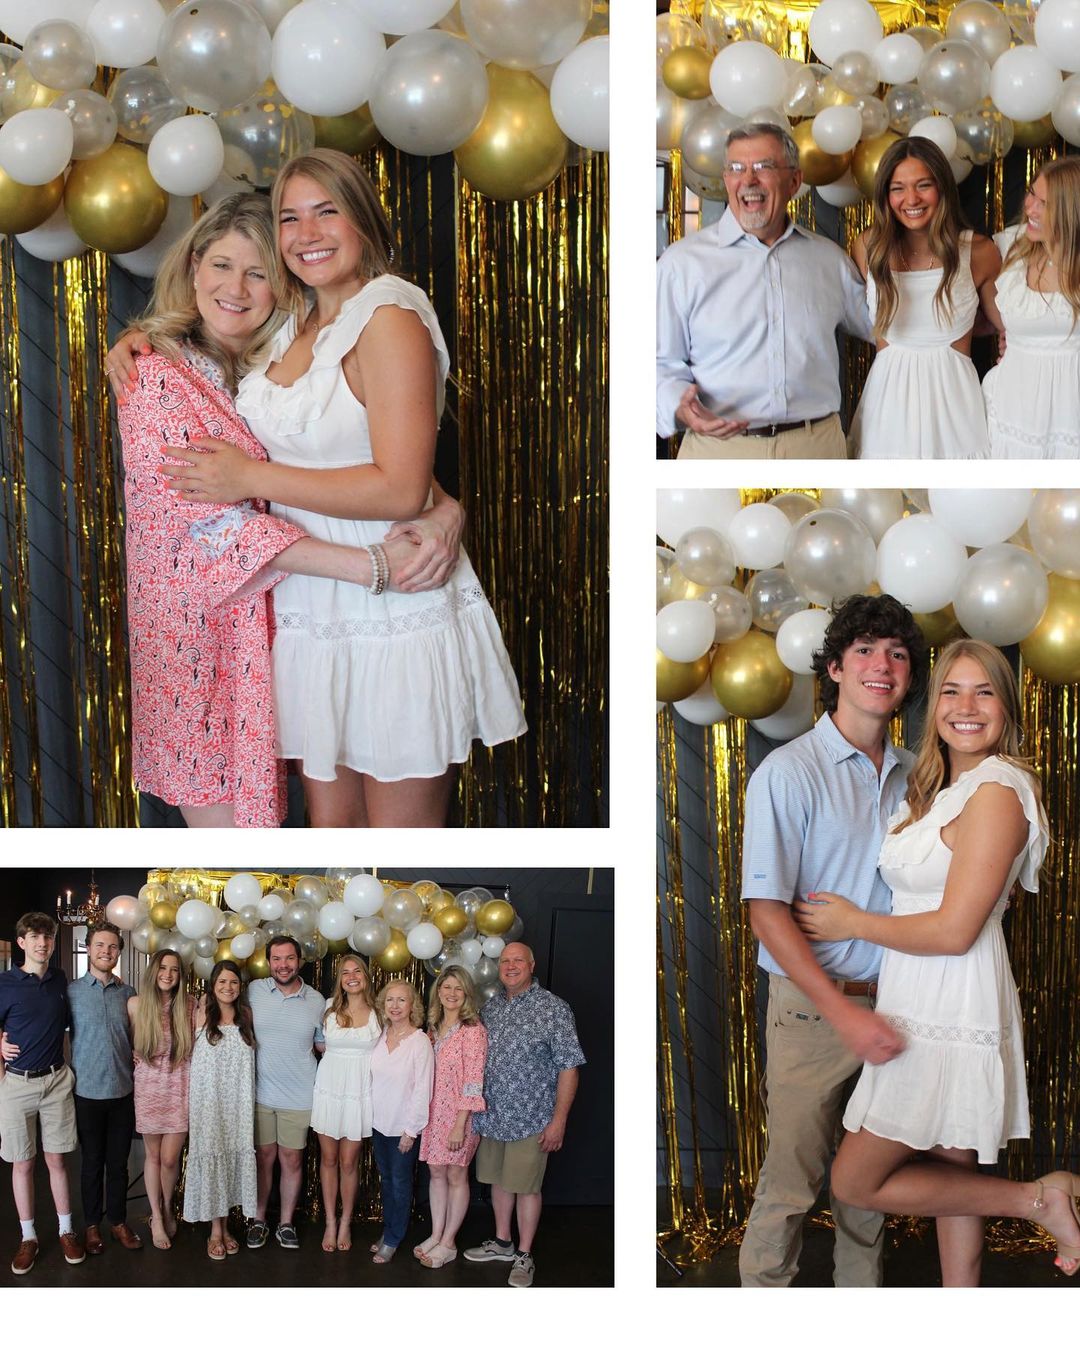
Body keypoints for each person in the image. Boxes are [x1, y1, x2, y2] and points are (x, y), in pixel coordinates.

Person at [145, 148, 527, 826]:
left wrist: (251, 478)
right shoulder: (290, 322)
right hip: (306, 605)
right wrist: (136, 341)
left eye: (327, 212)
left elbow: (399, 486)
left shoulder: (389, 316)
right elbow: (352, 441)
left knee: (397, 848)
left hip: (392, 601)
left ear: (364, 220)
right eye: (290, 217)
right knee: (333, 839)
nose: (307, 233)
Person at [792, 640, 1080, 1283]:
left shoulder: (998, 790)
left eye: (985, 692)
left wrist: (853, 923)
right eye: (952, 691)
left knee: (856, 1179)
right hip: (914, 994)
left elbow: (954, 931)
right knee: (954, 1174)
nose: (966, 706)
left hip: (952, 999)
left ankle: (1038, 1201)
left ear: (1007, 707)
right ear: (934, 706)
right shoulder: (936, 790)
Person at [738, 593, 929, 1288]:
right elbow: (766, 912)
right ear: (836, 669)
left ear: (909, 676)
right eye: (865, 650)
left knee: (866, 1191)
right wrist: (844, 1013)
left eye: (898, 654)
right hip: (814, 1011)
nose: (883, 665)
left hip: (901, 1003)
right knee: (790, 1186)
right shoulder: (789, 772)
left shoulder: (919, 776)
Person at [656, 122, 873, 459]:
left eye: (763, 166)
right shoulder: (681, 264)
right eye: (736, 168)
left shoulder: (830, 261)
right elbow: (659, 361)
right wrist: (679, 407)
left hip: (816, 448)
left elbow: (885, 330)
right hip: (717, 452)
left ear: (794, 182)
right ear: (726, 179)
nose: (748, 179)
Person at [848, 136, 1001, 459]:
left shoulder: (979, 252)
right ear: (885, 194)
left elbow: (1011, 327)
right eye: (898, 188)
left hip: (955, 417)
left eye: (923, 185)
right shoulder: (868, 248)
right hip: (886, 415)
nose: (911, 199)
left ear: (942, 187)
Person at [465, 941, 585, 1289]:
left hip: (532, 1118)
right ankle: (503, 1243)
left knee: (527, 1188)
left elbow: (569, 1067)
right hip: (493, 1116)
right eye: (505, 961)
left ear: (532, 965)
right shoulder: (491, 1007)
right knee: (499, 1182)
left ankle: (524, 1254)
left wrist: (559, 1121)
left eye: (518, 960)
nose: (510, 966)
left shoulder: (553, 1009)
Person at [0, 913, 84, 1275]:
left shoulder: (59, 979)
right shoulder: (4, 983)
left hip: (56, 1082)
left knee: (57, 1161)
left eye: (47, 937)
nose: (42, 943)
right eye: (34, 937)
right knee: (23, 1163)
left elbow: (64, 1026)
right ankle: (29, 1237)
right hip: (17, 1085)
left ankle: (66, 1230)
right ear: (21, 942)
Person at [983, 156, 1080, 458]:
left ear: (1072, 211)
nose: (1030, 208)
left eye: (1044, 204)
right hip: (1013, 411)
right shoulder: (1012, 248)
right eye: (1031, 194)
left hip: (1069, 418)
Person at [245, 933, 325, 1250]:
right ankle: (259, 1220)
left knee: (291, 1160)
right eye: (276, 959)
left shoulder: (316, 1001)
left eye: (289, 958)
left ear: (300, 961)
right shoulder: (253, 991)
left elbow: (324, 1045)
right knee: (263, 1159)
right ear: (268, 962)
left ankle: (286, 1223)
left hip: (299, 1095)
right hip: (260, 1094)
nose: (283, 965)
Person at [66, 922, 141, 1257]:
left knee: (119, 1164)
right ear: (88, 948)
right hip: (87, 1093)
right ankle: (92, 1225)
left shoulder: (128, 993)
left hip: (123, 1092)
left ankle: (118, 1221)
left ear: (119, 952)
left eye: (112, 947)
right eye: (100, 945)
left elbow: (137, 1037)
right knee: (92, 1163)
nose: (106, 952)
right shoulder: (71, 993)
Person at [183, 960, 257, 1259]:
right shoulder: (199, 1012)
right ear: (212, 985)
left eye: (234, 982)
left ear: (240, 987)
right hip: (209, 1102)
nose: (228, 987)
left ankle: (227, 1228)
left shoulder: (246, 1015)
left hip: (239, 1102)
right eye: (222, 982)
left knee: (231, 1157)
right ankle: (216, 1231)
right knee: (213, 1155)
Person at [416, 965, 488, 1269]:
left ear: (467, 994)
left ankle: (449, 1243)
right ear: (438, 992)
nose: (452, 993)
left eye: (459, 988)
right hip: (434, 1113)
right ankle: (436, 1234)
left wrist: (460, 1124)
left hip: (460, 1115)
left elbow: (473, 1081)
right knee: (436, 1173)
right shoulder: (433, 1029)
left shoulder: (473, 1031)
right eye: (447, 987)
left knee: (456, 1174)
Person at [310, 954, 380, 1254]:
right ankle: (330, 1221)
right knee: (328, 1159)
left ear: (365, 976)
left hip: (359, 1092)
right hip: (329, 1089)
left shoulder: (379, 1012)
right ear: (339, 979)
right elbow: (317, 1043)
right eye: (345, 972)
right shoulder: (328, 1008)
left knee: (349, 1162)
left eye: (357, 971)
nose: (351, 977)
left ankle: (346, 1222)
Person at [127, 948, 196, 1250]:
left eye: (174, 970)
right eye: (163, 968)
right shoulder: (136, 1004)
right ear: (153, 970)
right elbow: (123, 1041)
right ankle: (156, 1216)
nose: (168, 974)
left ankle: (168, 1206)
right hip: (148, 1088)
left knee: (170, 1159)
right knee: (153, 1157)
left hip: (180, 1087)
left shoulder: (190, 1005)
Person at [369, 979, 434, 1264]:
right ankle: (388, 1230)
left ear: (412, 1005)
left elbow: (423, 1088)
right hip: (378, 1124)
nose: (395, 1006)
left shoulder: (419, 1042)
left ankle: (394, 1239)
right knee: (386, 1181)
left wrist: (411, 1130)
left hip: (402, 1128)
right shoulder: (380, 1035)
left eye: (402, 1000)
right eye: (390, 1000)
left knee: (400, 1183)